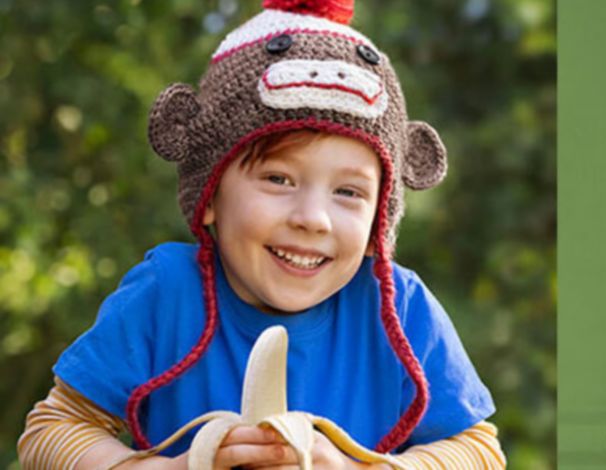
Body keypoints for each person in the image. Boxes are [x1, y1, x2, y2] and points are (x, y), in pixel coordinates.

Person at [17, 1, 505, 468]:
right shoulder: (166, 294)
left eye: (349, 192)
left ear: (382, 215)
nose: (313, 218)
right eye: (278, 180)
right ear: (208, 195)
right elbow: (51, 431)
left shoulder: (399, 308)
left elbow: (480, 452)